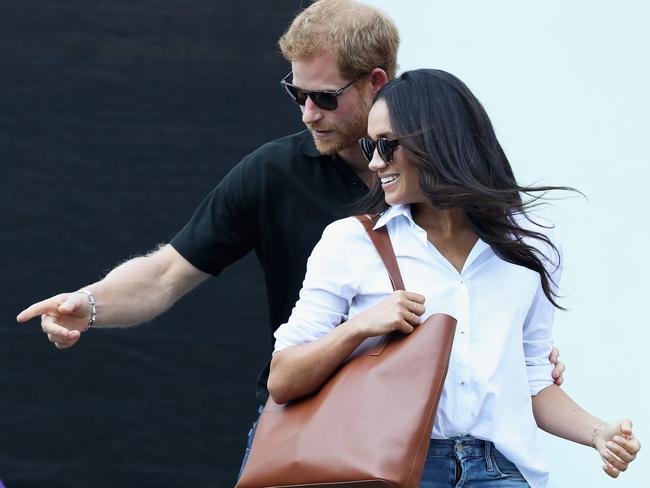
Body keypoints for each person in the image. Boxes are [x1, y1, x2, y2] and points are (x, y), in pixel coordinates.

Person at [15, 0, 564, 475]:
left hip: (427, 445)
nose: (308, 113)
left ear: (376, 82)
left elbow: (496, 307)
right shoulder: (273, 173)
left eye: (324, 98)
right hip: (313, 425)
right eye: (295, 93)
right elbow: (166, 272)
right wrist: (87, 304)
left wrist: (510, 365)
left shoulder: (451, 174)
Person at [267, 69, 640, 487]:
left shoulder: (529, 247)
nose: (374, 161)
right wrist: (359, 328)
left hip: (501, 471)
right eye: (371, 145)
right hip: (394, 466)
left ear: (438, 142)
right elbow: (282, 378)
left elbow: (534, 380)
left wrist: (597, 433)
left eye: (387, 145)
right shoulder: (350, 243)